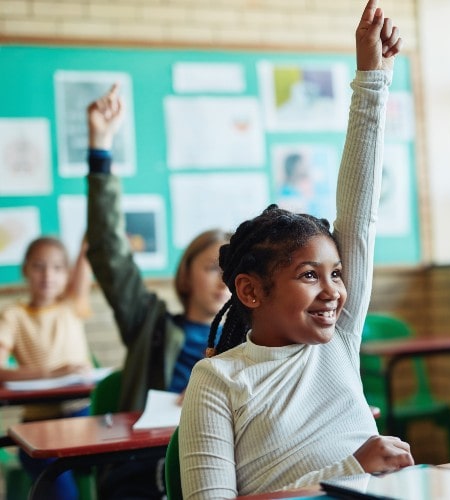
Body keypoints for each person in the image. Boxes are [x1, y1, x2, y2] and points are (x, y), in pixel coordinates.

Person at [178, 2, 413, 498]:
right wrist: (353, 468)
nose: (333, 292)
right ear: (251, 290)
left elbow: (359, 215)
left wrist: (373, 78)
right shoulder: (218, 379)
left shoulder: (337, 343)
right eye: (309, 275)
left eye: (337, 274)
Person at [85, 85, 232, 498]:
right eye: (210, 268)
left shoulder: (252, 339)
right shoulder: (149, 325)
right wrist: (101, 146)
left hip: (220, 469)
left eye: (232, 271)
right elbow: (109, 252)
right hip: (145, 471)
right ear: (185, 276)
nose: (223, 281)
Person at [0, 236, 93, 500]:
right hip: (39, 424)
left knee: (118, 466)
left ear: (67, 274)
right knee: (58, 484)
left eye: (57, 268)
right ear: (25, 270)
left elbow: (86, 253)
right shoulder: (13, 315)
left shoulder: (72, 305)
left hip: (82, 418)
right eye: (38, 266)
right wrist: (53, 373)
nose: (47, 275)